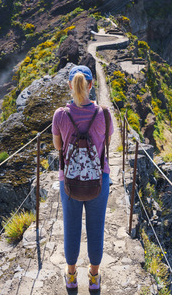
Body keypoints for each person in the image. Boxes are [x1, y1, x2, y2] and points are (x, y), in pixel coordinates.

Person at [52, 64, 113, 290]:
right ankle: (94, 279)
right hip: (98, 180)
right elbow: (106, 143)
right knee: (96, 228)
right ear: (91, 85)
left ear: (70, 85)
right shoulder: (104, 114)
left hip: (69, 181)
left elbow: (58, 146)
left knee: (71, 227)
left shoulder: (60, 115)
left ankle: (70, 276)